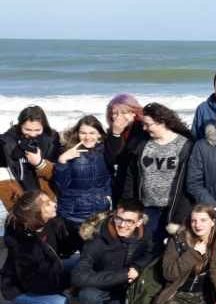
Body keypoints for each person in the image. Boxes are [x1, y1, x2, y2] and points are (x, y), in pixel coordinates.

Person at [1, 192, 87, 304]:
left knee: (82, 262)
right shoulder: (22, 244)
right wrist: (72, 287)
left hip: (51, 271)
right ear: (34, 213)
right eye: (47, 203)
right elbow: (36, 283)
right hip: (22, 288)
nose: (54, 203)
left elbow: (73, 242)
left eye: (51, 200)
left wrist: (88, 237)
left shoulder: (51, 221)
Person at [72, 199, 154, 304]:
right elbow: (77, 276)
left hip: (129, 285)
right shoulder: (97, 240)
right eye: (119, 219)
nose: (122, 225)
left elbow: (151, 253)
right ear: (114, 215)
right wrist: (122, 275)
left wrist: (137, 267)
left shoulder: (144, 234)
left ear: (139, 222)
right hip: (103, 283)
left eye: (129, 221)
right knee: (87, 295)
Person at [146, 204, 216, 304]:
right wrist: (193, 253)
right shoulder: (178, 240)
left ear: (212, 221)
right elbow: (169, 273)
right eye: (194, 220)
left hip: (202, 297)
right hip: (179, 294)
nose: (197, 225)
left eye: (203, 220)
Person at [122, 103, 194, 247]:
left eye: (148, 125)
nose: (144, 128)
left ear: (162, 122)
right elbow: (131, 177)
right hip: (147, 208)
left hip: (173, 208)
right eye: (143, 124)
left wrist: (179, 217)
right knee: (146, 248)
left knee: (171, 248)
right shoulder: (141, 144)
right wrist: (129, 206)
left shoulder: (185, 145)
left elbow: (188, 185)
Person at [54, 115, 112, 247]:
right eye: (83, 133)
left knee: (97, 251)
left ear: (99, 135)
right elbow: (60, 187)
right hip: (74, 213)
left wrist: (107, 197)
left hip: (100, 212)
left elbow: (110, 178)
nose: (87, 137)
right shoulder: (68, 151)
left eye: (92, 133)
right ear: (77, 134)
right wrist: (62, 161)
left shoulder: (105, 151)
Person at [0, 105, 61, 200]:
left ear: (43, 126)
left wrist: (39, 163)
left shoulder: (52, 140)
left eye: (37, 130)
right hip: (21, 200)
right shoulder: (6, 141)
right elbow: (3, 177)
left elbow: (59, 175)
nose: (32, 134)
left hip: (48, 199)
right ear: (20, 126)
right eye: (27, 129)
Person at [103, 94, 146, 203]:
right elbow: (111, 159)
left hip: (139, 185)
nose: (119, 117)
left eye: (124, 112)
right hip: (121, 185)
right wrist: (116, 134)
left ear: (134, 113)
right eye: (115, 113)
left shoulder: (144, 130)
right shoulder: (112, 132)